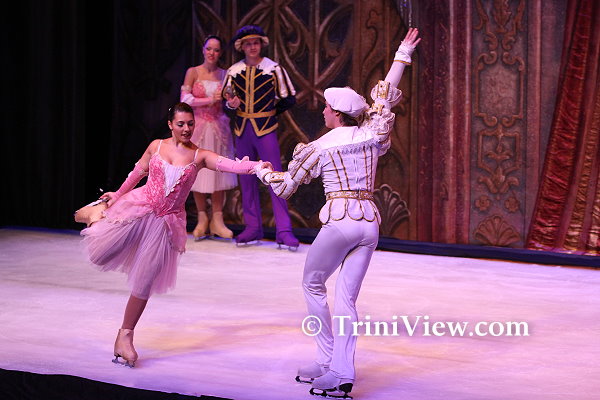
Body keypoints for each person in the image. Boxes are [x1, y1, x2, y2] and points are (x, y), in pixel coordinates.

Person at [256, 28, 421, 398]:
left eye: (327, 108)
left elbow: (285, 187)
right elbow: (384, 96)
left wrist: (261, 172)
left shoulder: (320, 146)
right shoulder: (370, 133)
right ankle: (340, 372)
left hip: (341, 222)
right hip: (369, 224)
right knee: (346, 299)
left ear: (337, 114)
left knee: (312, 283)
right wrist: (402, 53)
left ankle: (328, 359)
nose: (323, 112)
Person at [80, 102, 262, 368]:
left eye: (190, 123)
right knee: (100, 252)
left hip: (164, 225)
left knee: (144, 281)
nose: (186, 128)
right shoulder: (156, 146)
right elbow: (137, 173)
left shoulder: (199, 155)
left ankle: (125, 336)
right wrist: (117, 195)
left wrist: (258, 167)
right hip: (139, 209)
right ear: (170, 125)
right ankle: (97, 220)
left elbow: (229, 165)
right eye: (181, 124)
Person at [222, 25, 299, 250]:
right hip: (242, 129)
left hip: (265, 129)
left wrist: (269, 113)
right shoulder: (234, 70)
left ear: (261, 44)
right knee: (246, 179)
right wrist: (232, 104)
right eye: (248, 44)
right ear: (242, 47)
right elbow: (226, 102)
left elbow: (289, 98)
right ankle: (252, 227)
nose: (252, 47)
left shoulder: (273, 68)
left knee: (275, 177)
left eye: (255, 43)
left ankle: (284, 231)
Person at [181, 35, 237, 240]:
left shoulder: (225, 74)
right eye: (209, 49)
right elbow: (185, 99)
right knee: (198, 172)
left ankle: (217, 219)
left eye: (216, 50)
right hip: (199, 127)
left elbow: (229, 100)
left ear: (220, 53)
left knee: (218, 172)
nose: (212, 53)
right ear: (203, 50)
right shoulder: (193, 72)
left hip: (218, 127)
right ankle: (202, 218)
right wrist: (208, 99)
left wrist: (231, 102)